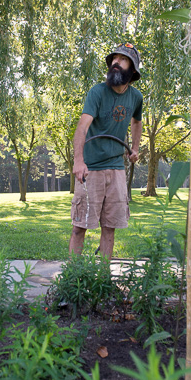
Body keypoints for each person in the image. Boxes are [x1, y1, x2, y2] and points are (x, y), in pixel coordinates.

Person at [69, 42, 143, 261]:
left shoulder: (136, 97)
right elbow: (82, 127)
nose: (115, 63)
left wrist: (135, 148)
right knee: (79, 226)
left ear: (132, 69)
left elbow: (137, 122)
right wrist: (78, 161)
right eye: (114, 59)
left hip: (116, 169)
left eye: (122, 59)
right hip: (90, 169)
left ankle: (103, 278)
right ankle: (74, 278)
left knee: (110, 227)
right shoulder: (98, 92)